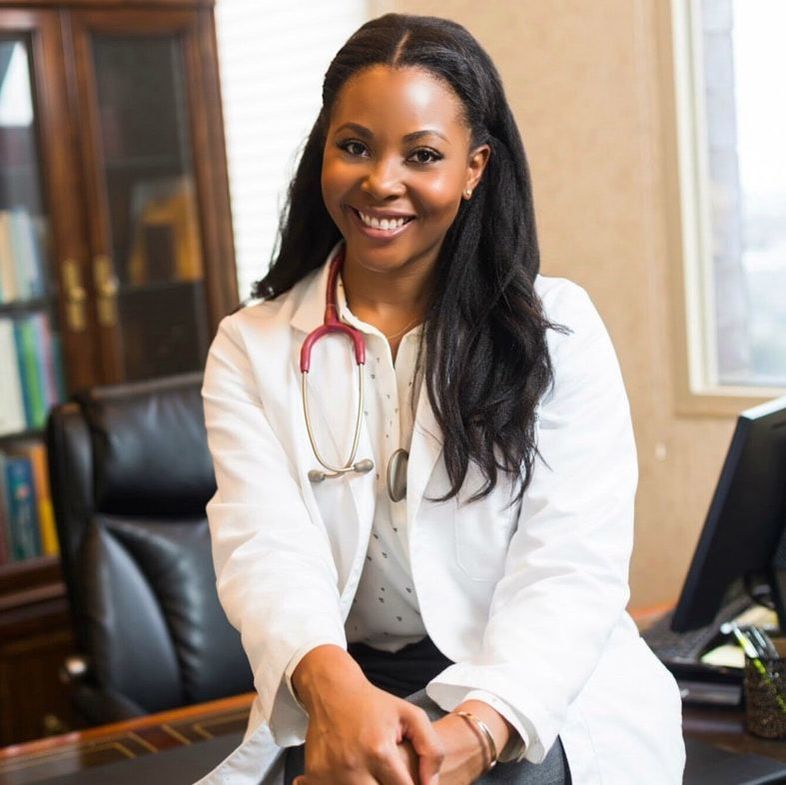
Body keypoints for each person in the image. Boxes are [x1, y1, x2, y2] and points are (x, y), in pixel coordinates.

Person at [195, 13, 685, 785]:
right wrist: (335, 694)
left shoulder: (557, 333)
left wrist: (481, 728)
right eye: (353, 145)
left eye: (421, 155)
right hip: (348, 677)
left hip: (524, 679)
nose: (380, 181)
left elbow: (570, 567)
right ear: (323, 147)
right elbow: (265, 551)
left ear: (474, 167)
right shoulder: (250, 347)